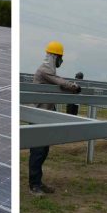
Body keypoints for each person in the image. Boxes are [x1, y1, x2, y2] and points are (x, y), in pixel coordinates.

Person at [29, 41, 81, 195]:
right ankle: (34, 185)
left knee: (43, 150)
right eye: (60, 57)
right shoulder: (45, 69)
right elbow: (60, 82)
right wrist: (74, 87)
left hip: (44, 116)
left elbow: (57, 83)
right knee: (38, 151)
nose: (61, 61)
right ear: (54, 57)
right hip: (37, 115)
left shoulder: (49, 70)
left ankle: (38, 181)